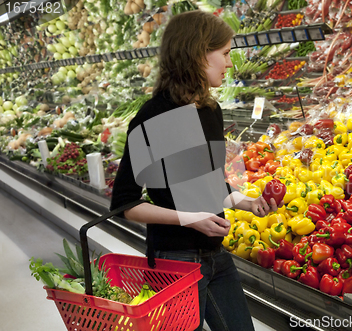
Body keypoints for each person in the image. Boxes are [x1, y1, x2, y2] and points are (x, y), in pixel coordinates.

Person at [110, 10, 282, 331]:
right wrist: (191, 219)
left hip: (215, 256)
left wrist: (246, 202)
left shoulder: (209, 110)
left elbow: (208, 185)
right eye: (225, 54)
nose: (230, 64)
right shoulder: (153, 117)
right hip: (173, 261)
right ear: (198, 53)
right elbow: (125, 204)